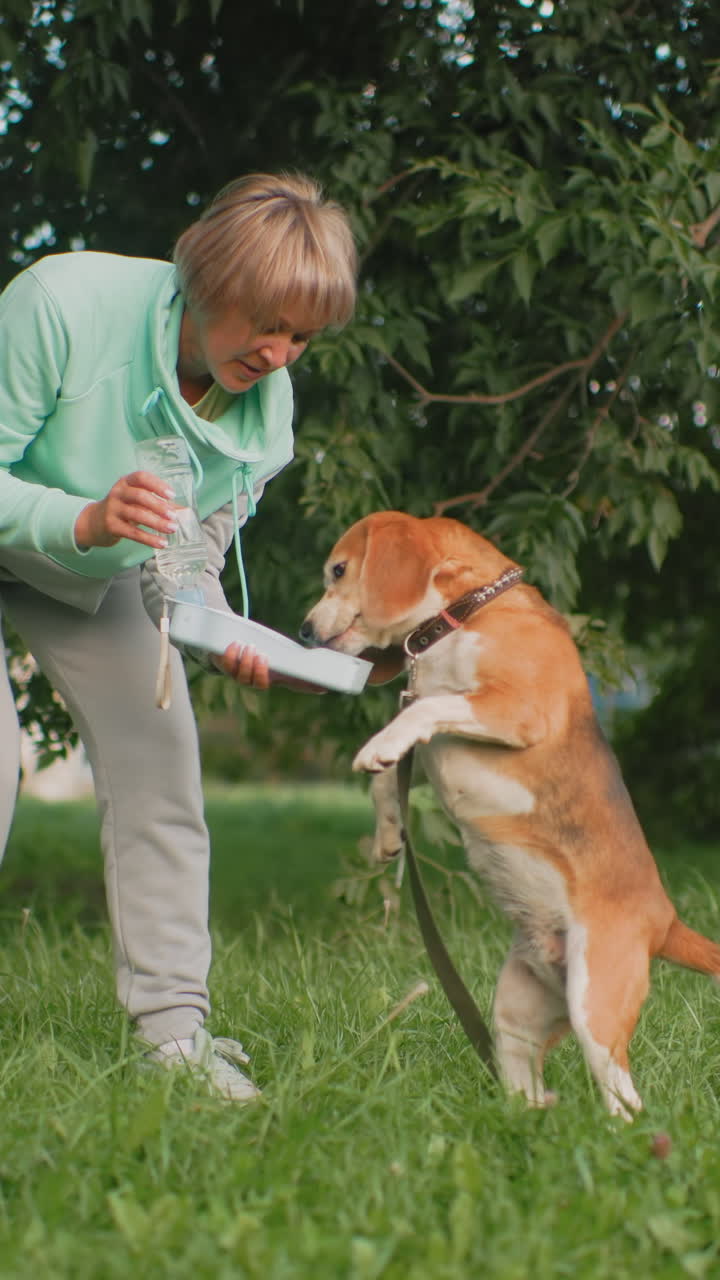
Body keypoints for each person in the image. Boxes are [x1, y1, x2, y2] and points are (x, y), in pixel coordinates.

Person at [0, 172, 357, 1100]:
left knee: (165, 765)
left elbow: (190, 559)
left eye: (301, 336)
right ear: (203, 280)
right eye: (264, 323)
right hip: (60, 523)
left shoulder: (263, 421)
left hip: (96, 566)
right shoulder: (60, 304)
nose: (278, 353)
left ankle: (173, 1035)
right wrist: (84, 518)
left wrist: (220, 633)